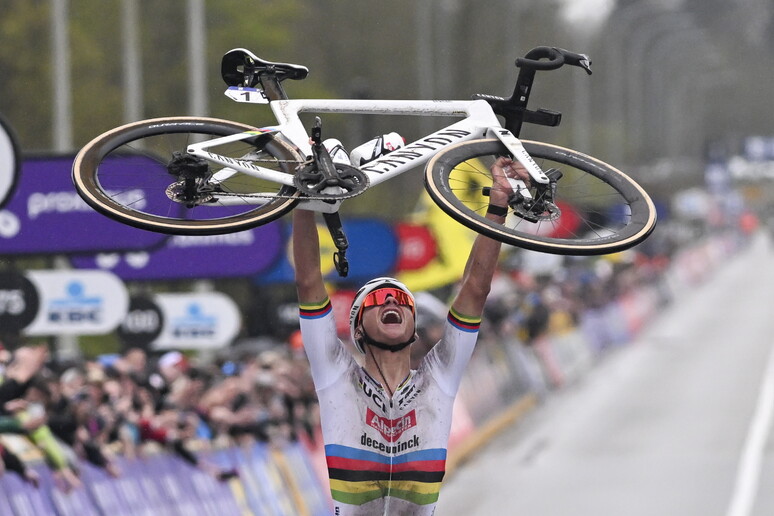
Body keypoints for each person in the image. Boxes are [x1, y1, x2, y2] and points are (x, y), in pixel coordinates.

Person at [292, 156, 527, 515]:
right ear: (357, 330)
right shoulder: (335, 376)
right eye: (376, 300)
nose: (391, 300)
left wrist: (496, 206)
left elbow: (475, 288)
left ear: (413, 327)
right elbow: (309, 281)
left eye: (402, 300)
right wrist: (304, 200)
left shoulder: (439, 378)